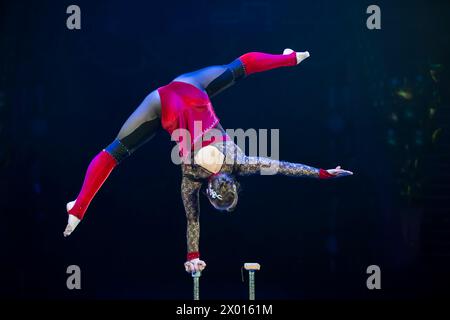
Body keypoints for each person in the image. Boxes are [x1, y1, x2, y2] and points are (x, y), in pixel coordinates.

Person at [63, 48, 353, 274]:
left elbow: (283, 167)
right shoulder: (190, 177)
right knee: (113, 153)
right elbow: (193, 220)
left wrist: (323, 173)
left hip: (190, 88)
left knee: (239, 68)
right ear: (209, 194)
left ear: (233, 184)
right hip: (160, 104)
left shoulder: (239, 161)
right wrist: (193, 257)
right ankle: (78, 209)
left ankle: (291, 59)